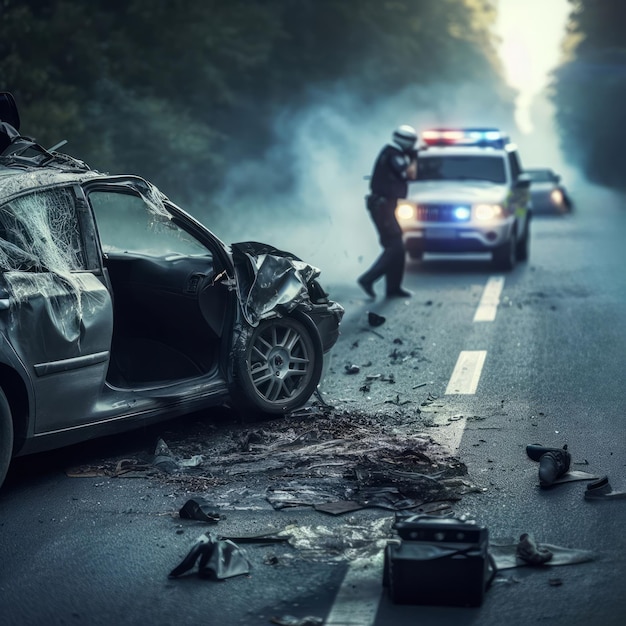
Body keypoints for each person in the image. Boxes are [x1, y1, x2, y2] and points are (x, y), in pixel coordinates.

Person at [358, 124, 418, 299]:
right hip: (382, 206)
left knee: (396, 245)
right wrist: (413, 160)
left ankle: (393, 288)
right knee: (395, 246)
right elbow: (410, 174)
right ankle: (368, 279)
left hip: (385, 205)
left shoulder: (392, 153)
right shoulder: (393, 154)